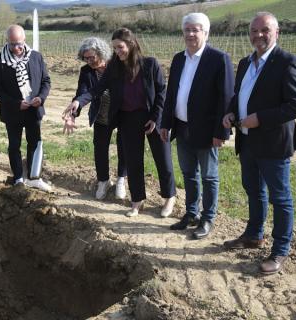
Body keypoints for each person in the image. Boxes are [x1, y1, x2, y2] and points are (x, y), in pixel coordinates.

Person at [222, 12, 296, 274]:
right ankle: (254, 234)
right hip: (247, 142)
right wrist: (231, 111)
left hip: (273, 143)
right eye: (254, 31)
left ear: (277, 32)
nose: (258, 35)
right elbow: (240, 95)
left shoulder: (287, 62)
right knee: (253, 190)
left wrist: (260, 118)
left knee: (280, 198)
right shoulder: (246, 62)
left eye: (264, 30)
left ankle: (280, 250)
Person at [73, 28, 177, 218]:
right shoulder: (114, 68)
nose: (117, 51)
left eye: (120, 47)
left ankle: (169, 197)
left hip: (153, 117)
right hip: (128, 118)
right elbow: (97, 88)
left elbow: (162, 92)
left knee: (163, 159)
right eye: (114, 48)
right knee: (133, 161)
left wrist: (155, 117)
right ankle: (137, 201)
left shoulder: (150, 64)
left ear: (131, 44)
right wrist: (78, 101)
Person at [160, 12, 234, 239]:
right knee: (189, 173)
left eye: (196, 29)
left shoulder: (218, 58)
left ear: (206, 32)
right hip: (182, 128)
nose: (191, 34)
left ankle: (207, 218)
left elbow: (226, 97)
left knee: (209, 177)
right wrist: (166, 123)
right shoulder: (178, 58)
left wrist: (221, 131)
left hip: (207, 130)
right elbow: (171, 94)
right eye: (187, 30)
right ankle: (191, 213)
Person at [63, 37, 127, 200]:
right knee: (100, 149)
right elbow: (81, 94)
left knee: (124, 147)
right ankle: (103, 181)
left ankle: (121, 179)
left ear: (101, 53)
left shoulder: (116, 65)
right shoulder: (86, 71)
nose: (90, 61)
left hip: (122, 113)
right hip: (101, 114)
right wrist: (72, 115)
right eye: (86, 58)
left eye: (92, 57)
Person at [0, 24, 52, 191]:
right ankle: (18, 179)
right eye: (12, 44)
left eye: (18, 43)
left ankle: (34, 177)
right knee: (14, 146)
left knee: (35, 143)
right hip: (13, 112)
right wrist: (16, 104)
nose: (16, 48)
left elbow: (46, 81)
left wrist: (41, 97)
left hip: (34, 110)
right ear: (7, 42)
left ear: (24, 40)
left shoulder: (36, 57)